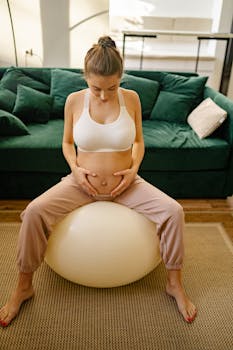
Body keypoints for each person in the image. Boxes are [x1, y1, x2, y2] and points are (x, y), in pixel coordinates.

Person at [0, 36, 197, 327]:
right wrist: (76, 171)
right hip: (81, 184)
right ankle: (23, 286)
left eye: (112, 87)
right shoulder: (74, 101)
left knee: (174, 212)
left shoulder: (131, 99)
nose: (104, 95)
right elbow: (67, 143)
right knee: (33, 213)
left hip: (127, 185)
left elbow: (139, 141)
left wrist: (133, 170)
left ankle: (174, 283)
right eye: (96, 88)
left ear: (121, 79)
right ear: (85, 78)